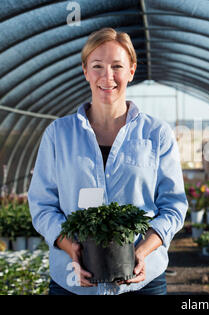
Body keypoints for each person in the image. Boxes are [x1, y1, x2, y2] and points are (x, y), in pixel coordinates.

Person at [27, 28, 188, 295]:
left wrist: (144, 250)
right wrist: (72, 248)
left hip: (142, 284)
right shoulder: (59, 134)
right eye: (98, 66)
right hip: (72, 282)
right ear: (85, 71)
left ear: (131, 71)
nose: (107, 77)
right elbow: (42, 204)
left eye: (117, 66)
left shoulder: (156, 134)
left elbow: (173, 206)